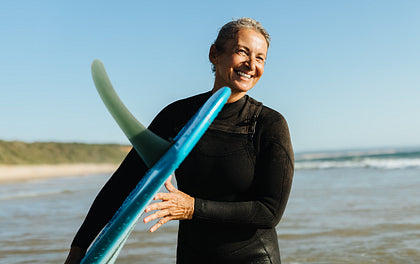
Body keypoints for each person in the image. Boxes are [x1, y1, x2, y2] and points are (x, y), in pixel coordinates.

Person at [64, 17, 294, 264]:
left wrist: (193, 207)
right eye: (242, 52)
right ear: (214, 53)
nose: (251, 65)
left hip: (252, 258)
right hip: (192, 256)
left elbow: (268, 212)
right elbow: (123, 183)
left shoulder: (269, 124)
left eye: (260, 58)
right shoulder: (178, 117)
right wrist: (79, 246)